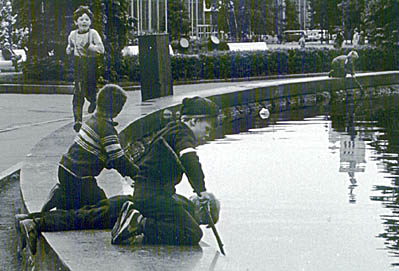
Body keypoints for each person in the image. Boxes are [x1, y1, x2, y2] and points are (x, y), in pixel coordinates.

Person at [16, 96, 221, 255]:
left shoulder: (171, 131)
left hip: (137, 199)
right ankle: (137, 222)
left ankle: (35, 220)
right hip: (144, 202)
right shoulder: (183, 135)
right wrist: (201, 190)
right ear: (194, 120)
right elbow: (190, 158)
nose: (207, 135)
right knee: (192, 233)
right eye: (208, 129)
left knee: (91, 215)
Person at [40, 84, 139, 212]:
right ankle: (61, 198)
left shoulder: (92, 120)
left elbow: (96, 153)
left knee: (79, 202)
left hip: (65, 169)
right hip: (80, 177)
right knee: (101, 207)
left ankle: (63, 197)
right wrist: (137, 174)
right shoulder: (107, 130)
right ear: (117, 110)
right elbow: (118, 160)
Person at [66, 6, 105, 132]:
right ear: (76, 22)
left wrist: (91, 47)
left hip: (91, 65)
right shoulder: (73, 35)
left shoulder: (93, 34)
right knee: (78, 93)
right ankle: (77, 120)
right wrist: (69, 50)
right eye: (81, 19)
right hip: (79, 66)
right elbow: (69, 47)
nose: (84, 22)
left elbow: (101, 49)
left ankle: (93, 101)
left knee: (90, 90)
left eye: (87, 19)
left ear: (90, 22)